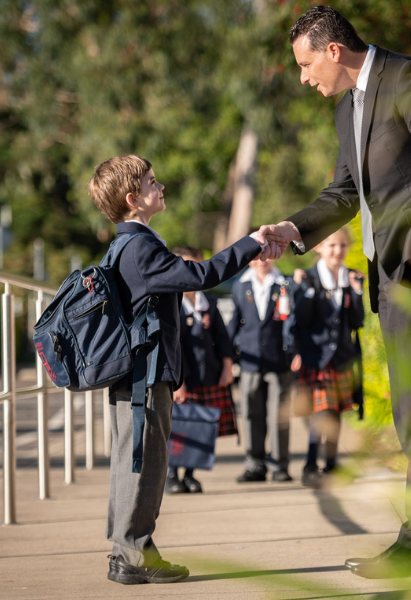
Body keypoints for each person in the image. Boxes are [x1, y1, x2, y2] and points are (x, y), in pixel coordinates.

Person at [257, 6, 411, 578]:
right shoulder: (347, 110)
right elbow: (342, 192)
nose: (305, 76)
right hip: (391, 274)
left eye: (307, 64)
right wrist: (293, 230)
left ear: (333, 51)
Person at [87, 154, 269, 585]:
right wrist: (253, 242)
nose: (160, 185)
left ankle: (128, 552)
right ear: (133, 199)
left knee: (133, 463)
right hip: (145, 377)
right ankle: (135, 554)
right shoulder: (141, 248)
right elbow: (202, 274)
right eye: (152, 181)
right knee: (145, 464)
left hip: (134, 376)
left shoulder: (124, 245)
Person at [289, 226, 364, 488]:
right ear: (319, 248)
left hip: (341, 357)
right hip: (315, 356)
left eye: (342, 246)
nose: (337, 251)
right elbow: (301, 320)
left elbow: (357, 321)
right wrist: (307, 291)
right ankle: (311, 465)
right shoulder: (307, 277)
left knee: (335, 414)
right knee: (320, 413)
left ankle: (331, 465)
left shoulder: (351, 277)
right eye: (332, 245)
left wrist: (356, 292)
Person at [164, 246, 239, 495]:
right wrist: (178, 382)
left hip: (209, 375)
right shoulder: (171, 303)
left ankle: (191, 475)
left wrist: (228, 367)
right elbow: (171, 346)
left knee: (201, 428)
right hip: (185, 378)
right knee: (180, 429)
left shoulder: (209, 302)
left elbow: (223, 337)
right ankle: (172, 474)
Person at [228, 257, 295, 483]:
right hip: (250, 359)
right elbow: (235, 322)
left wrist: (295, 351)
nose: (262, 260)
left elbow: (293, 320)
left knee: (279, 415)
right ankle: (254, 464)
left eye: (267, 254)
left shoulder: (285, 283)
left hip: (278, 360)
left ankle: (279, 465)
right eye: (257, 255)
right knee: (250, 413)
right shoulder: (241, 285)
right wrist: (227, 355)